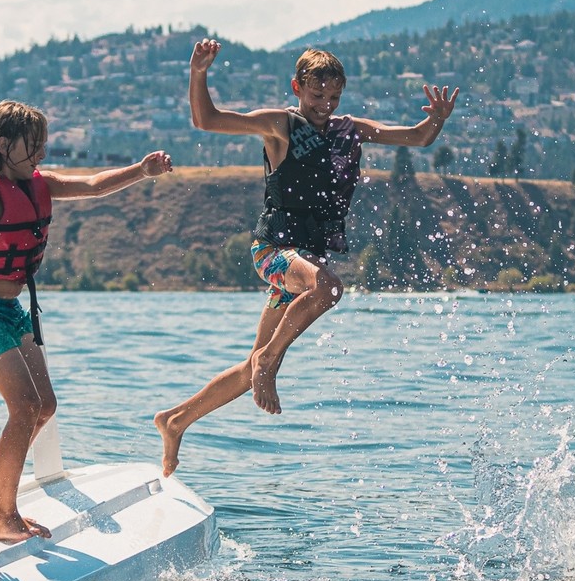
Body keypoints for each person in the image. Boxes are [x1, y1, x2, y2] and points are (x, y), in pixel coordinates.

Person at [155, 38, 459, 477]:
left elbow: (417, 138)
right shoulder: (281, 124)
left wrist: (438, 121)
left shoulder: (348, 129)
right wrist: (198, 72)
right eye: (317, 96)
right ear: (297, 87)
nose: (325, 105)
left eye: (334, 97)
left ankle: (175, 420)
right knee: (328, 288)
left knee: (254, 362)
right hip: (274, 252)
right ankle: (267, 363)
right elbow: (207, 120)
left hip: (303, 260)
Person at [0, 99, 173, 544]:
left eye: (43, 146)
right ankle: (4, 518)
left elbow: (91, 185)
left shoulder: (39, 184)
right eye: (33, 147)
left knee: (43, 406)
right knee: (25, 406)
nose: (42, 156)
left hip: (10, 310)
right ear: (3, 144)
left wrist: (141, 170)